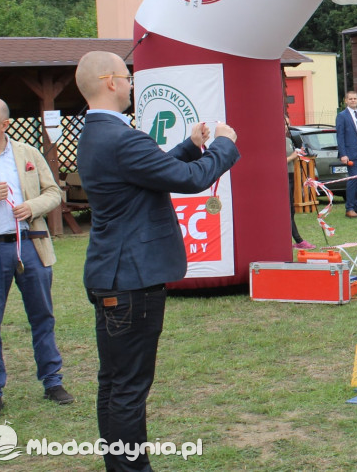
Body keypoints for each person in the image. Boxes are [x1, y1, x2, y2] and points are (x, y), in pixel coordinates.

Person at [75, 51, 240, 471]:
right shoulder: (121, 138)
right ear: (111, 82)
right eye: (127, 77)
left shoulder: (97, 134)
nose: (131, 84)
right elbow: (189, 179)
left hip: (114, 274)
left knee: (114, 384)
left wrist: (190, 144)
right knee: (128, 388)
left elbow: (154, 169)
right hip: (133, 278)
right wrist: (223, 144)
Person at [0, 97, 70, 419]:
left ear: (4, 125)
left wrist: (32, 207)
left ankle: (52, 382)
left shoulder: (29, 154)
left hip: (30, 245)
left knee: (42, 317)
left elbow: (54, 192)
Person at [286, 117, 314, 250]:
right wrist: (292, 156)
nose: (286, 126)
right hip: (282, 177)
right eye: (283, 124)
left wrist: (299, 155)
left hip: (291, 175)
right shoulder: (276, 140)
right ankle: (299, 240)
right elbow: (279, 160)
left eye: (287, 124)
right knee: (287, 210)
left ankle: (289, 239)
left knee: (291, 211)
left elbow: (292, 160)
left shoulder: (288, 140)